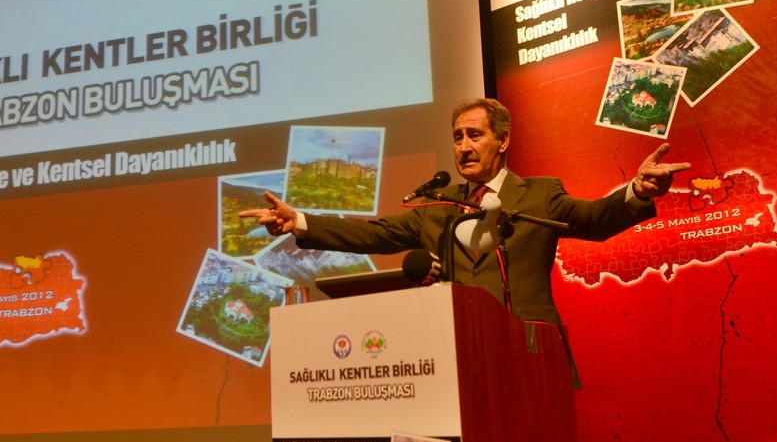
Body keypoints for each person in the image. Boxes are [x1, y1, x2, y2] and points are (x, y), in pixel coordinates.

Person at [239, 98, 690, 324]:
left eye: (474, 135)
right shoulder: (438, 206)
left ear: (503, 140)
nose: (464, 146)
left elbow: (594, 221)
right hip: (455, 354)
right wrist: (299, 222)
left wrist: (637, 191)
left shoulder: (539, 194)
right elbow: (374, 233)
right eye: (457, 138)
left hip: (530, 348)